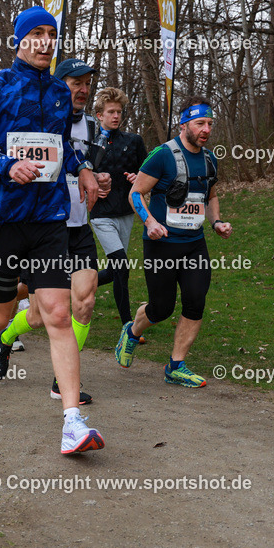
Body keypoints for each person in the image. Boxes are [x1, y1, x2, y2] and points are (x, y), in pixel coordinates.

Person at [0, 6, 103, 455]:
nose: (45, 41)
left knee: (58, 314)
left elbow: (61, 147)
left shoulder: (60, 93)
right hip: (1, 218)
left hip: (49, 219)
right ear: (19, 40)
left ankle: (73, 422)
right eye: (35, 33)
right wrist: (5, 165)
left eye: (51, 34)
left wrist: (84, 170)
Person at [0, 58, 112, 405]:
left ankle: (62, 381)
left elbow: (93, 169)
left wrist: (99, 179)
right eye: (76, 83)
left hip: (78, 225)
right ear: (58, 85)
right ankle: (6, 335)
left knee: (84, 302)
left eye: (88, 83)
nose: (84, 90)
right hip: (43, 226)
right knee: (47, 313)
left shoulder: (92, 126)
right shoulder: (31, 117)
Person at [115, 98, 233, 387]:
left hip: (194, 244)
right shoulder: (162, 155)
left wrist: (216, 221)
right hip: (162, 245)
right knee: (161, 308)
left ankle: (175, 366)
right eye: (199, 124)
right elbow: (135, 193)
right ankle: (131, 333)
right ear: (184, 125)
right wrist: (150, 222)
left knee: (195, 303)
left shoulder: (209, 159)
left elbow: (211, 195)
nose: (206, 129)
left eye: (209, 124)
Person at [89, 87, 147, 328]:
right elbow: (77, 173)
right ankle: (128, 326)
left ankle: (73, 284)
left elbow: (148, 173)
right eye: (111, 112)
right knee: (122, 265)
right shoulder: (89, 143)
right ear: (99, 115)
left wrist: (139, 179)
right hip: (100, 214)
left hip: (125, 213)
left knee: (115, 270)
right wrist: (92, 183)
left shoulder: (133, 141)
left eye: (119, 112)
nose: (116, 116)